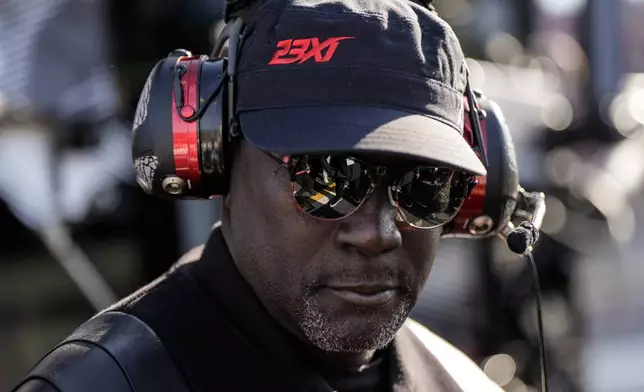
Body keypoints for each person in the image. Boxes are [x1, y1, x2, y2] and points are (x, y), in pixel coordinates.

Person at [13, 0, 504, 390]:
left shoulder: (462, 381)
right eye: (325, 177)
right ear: (215, 158)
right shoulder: (98, 384)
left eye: (426, 186)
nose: (377, 233)